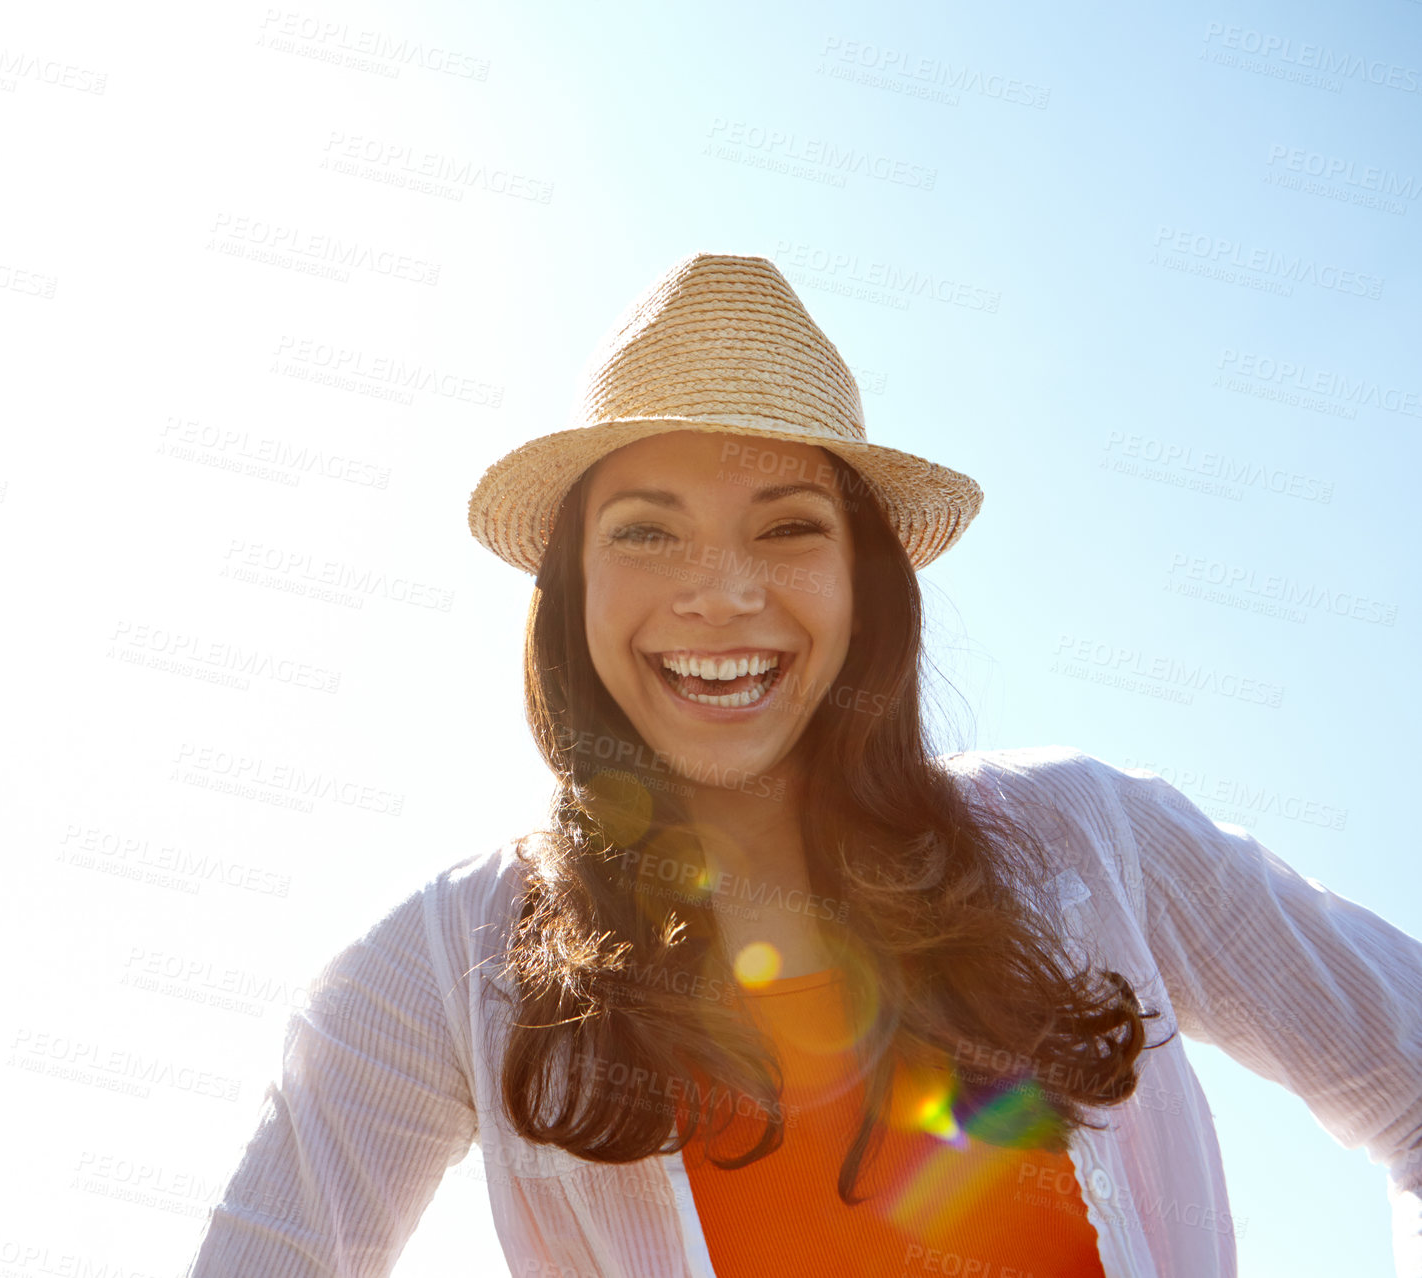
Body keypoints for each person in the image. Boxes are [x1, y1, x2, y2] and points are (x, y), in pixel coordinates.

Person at [182, 252, 1422, 1277]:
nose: (720, 593)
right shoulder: (441, 966)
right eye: (646, 531)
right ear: (571, 589)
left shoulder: (1100, 843)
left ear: (862, 582)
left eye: (785, 526)